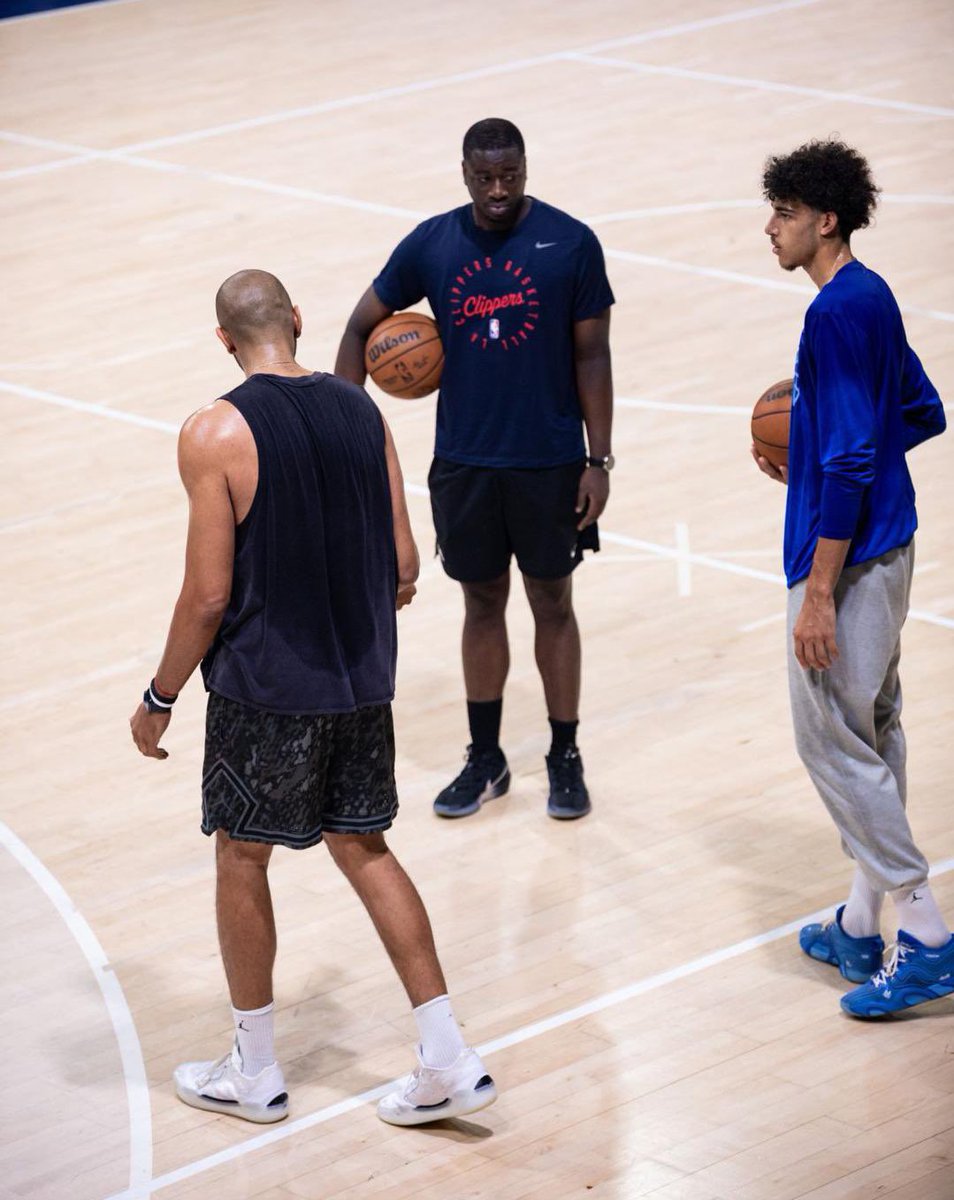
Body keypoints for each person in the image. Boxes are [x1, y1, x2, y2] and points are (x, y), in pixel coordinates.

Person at [129, 270, 497, 1125]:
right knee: (366, 849)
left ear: (224, 341)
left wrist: (161, 693)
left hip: (265, 688)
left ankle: (255, 1071)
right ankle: (447, 1053)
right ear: (299, 320)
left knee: (241, 856)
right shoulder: (363, 411)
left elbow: (208, 596)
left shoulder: (214, 431)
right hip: (362, 678)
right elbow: (406, 564)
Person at [335, 117, 614, 822]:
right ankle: (486, 758)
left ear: (525, 169)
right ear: (464, 172)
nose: (498, 190)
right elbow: (358, 327)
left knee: (553, 603)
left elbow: (593, 357)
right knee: (480, 604)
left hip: (550, 462)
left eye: (510, 175)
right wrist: (344, 427)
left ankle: (564, 754)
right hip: (463, 464)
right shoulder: (432, 244)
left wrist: (599, 459)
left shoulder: (571, 243)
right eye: (485, 177)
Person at [754, 140, 950, 1017]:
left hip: (849, 562)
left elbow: (855, 450)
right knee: (874, 731)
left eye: (786, 214)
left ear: (824, 220)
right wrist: (827, 455)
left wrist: (822, 590)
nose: (772, 228)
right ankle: (861, 922)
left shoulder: (833, 315)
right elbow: (921, 410)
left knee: (831, 741)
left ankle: (930, 938)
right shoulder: (872, 295)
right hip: (892, 546)